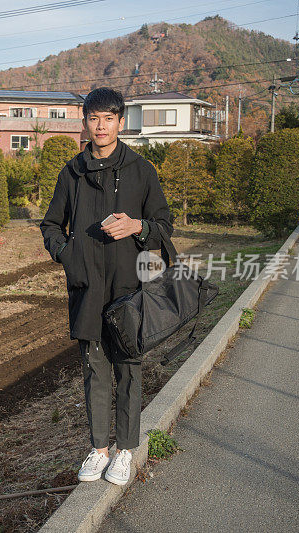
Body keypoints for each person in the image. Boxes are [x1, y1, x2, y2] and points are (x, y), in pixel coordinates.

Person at [40, 87, 173, 485]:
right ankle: (99, 448)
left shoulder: (141, 171)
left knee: (128, 369)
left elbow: (165, 225)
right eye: (94, 118)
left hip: (129, 288)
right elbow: (50, 224)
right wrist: (67, 254)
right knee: (94, 369)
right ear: (85, 122)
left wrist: (139, 226)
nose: (101, 126)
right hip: (87, 288)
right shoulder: (73, 172)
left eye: (109, 118)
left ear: (120, 122)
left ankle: (125, 449)